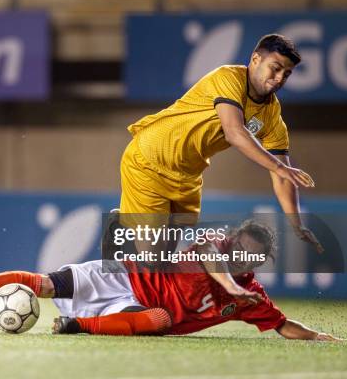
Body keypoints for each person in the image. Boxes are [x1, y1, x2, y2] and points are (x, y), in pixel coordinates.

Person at [118, 33, 324, 301]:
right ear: (255, 59)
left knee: (165, 257)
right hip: (149, 160)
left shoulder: (272, 117)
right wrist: (279, 166)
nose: (279, 78)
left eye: (287, 73)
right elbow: (234, 132)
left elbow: (282, 177)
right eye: (275, 68)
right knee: (151, 256)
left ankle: (148, 297)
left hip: (187, 176)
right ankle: (128, 298)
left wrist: (296, 222)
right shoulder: (229, 78)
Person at [0, 220, 340, 341]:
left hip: (136, 308)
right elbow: (207, 257)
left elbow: (282, 324)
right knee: (47, 285)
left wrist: (321, 337)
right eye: (237, 246)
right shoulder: (210, 245)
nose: (238, 254)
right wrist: (232, 285)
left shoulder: (252, 296)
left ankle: (75, 326)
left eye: (247, 254)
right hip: (124, 275)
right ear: (232, 241)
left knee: (159, 323)